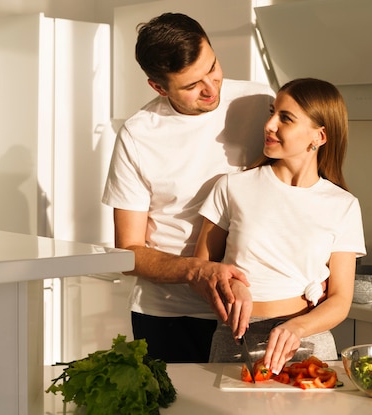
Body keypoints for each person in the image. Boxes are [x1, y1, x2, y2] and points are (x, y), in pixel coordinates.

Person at [101, 12, 275, 363]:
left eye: (212, 67)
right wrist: (198, 270)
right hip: (169, 316)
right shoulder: (138, 135)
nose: (211, 88)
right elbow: (129, 251)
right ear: (159, 87)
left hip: (259, 307)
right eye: (192, 85)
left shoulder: (259, 101)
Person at [194, 78, 366, 374]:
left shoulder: (343, 205)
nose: (269, 124)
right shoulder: (232, 187)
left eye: (285, 118)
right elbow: (199, 268)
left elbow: (339, 299)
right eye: (271, 112)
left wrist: (297, 327)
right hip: (236, 341)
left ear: (319, 137)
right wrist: (229, 283)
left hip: (307, 342)